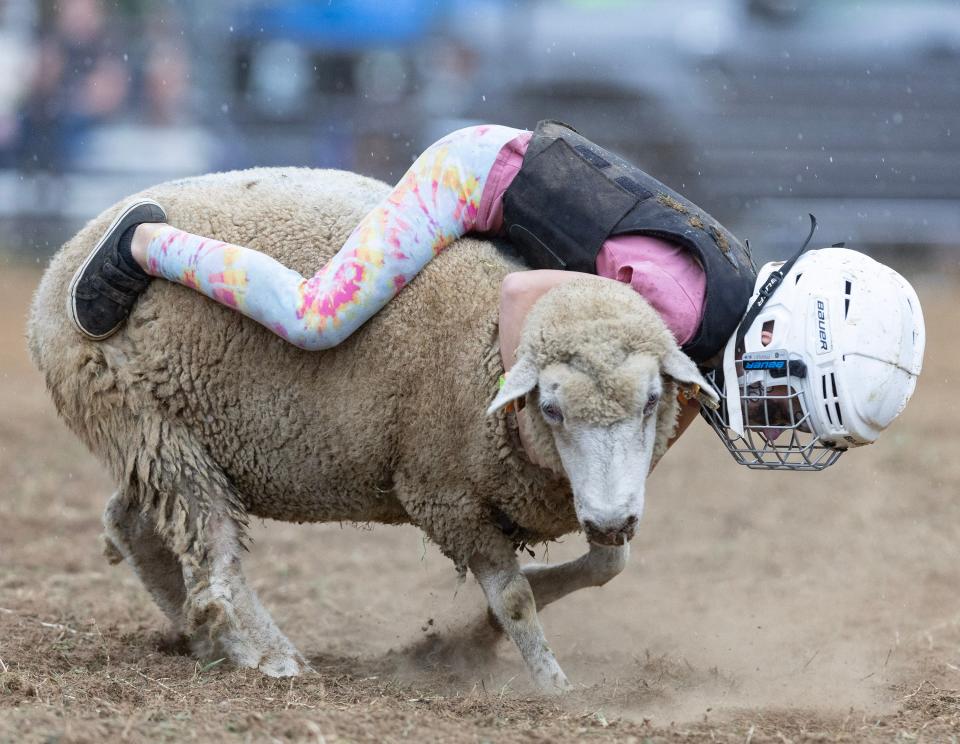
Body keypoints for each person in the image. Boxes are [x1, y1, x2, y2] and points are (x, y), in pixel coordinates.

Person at [67, 121, 925, 471]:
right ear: (778, 336)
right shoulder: (683, 309)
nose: (776, 426)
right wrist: (516, 430)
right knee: (317, 318)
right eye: (786, 400)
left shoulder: (725, 305)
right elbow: (525, 297)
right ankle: (148, 243)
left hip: (506, 168)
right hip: (470, 180)